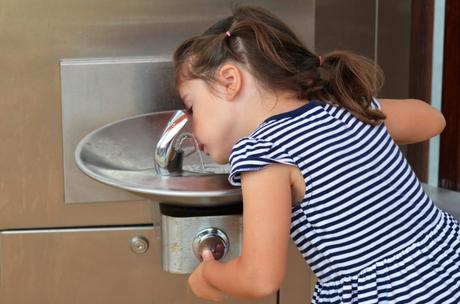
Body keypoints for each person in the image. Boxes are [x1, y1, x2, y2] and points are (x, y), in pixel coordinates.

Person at [173, 5, 459, 303]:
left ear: (230, 81)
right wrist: (360, 108)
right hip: (448, 268)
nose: (192, 128)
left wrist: (208, 274)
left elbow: (259, 279)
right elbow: (433, 120)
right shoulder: (345, 108)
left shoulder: (263, 152)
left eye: (191, 107)